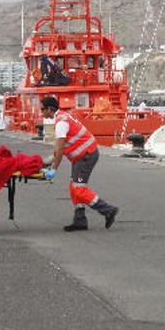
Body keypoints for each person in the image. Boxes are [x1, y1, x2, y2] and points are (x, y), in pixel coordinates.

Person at [40, 96, 118, 231]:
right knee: (74, 187)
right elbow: (59, 149)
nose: (41, 112)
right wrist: (48, 162)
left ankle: (108, 210)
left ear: (50, 109)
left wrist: (53, 170)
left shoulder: (61, 123)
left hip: (86, 156)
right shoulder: (62, 118)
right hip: (82, 156)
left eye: (42, 109)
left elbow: (59, 148)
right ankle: (80, 220)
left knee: (79, 189)